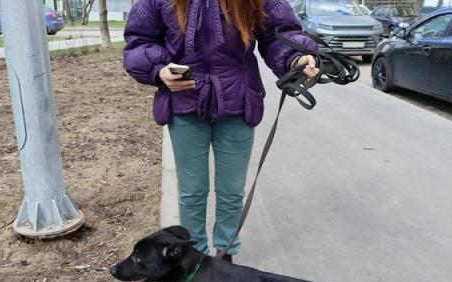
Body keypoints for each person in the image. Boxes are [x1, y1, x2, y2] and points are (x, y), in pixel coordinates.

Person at [123, 0, 319, 262]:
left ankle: (225, 254)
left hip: (238, 101)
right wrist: (158, 71)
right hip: (184, 102)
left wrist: (296, 56)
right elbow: (140, 40)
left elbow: (278, 32)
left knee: (231, 191)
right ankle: (193, 257)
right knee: (192, 191)